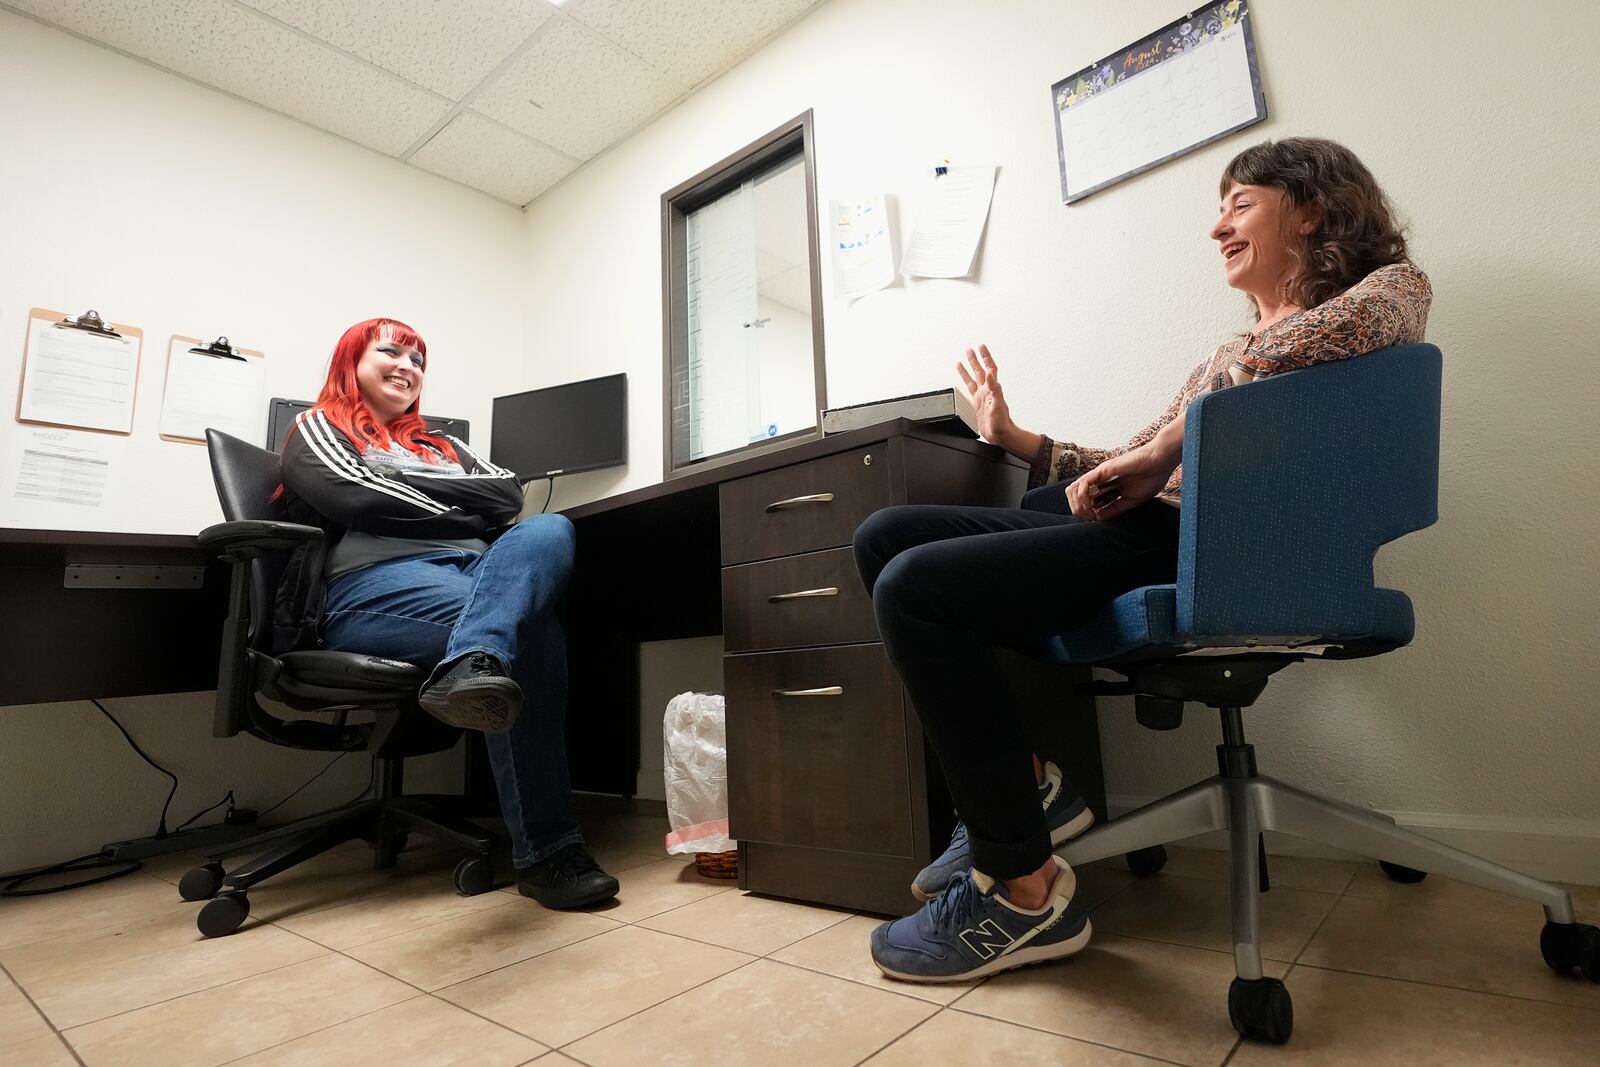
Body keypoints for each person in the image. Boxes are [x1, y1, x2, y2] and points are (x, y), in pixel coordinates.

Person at [854, 137, 1432, 982]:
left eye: (1240, 204)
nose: (1216, 227)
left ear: (1310, 210)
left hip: (1214, 545)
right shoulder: (1222, 356)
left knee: (918, 589)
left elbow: (1195, 428)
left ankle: (1022, 891)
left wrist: (1170, 443)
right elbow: (1124, 459)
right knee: (886, 536)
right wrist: (1013, 437)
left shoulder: (1388, 291)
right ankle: (1030, 789)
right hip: (1143, 530)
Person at [273, 317, 619, 908]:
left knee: (548, 528)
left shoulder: (445, 446)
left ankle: (475, 657)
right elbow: (353, 496)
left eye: (419, 360)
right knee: (531, 635)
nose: (408, 366)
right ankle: (548, 854)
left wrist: (402, 483)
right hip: (372, 589)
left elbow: (507, 495)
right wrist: (457, 511)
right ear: (350, 361)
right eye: (390, 351)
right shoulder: (319, 426)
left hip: (474, 579)